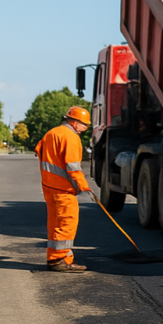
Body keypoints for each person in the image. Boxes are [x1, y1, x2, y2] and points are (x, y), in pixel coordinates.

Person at [35, 106, 93, 273]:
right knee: (67, 224)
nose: (85, 128)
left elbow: (39, 153)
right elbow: (73, 167)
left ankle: (54, 259)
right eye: (84, 125)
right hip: (63, 190)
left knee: (55, 224)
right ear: (74, 122)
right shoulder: (71, 137)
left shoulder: (51, 133)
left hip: (49, 187)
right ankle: (61, 260)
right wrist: (83, 185)